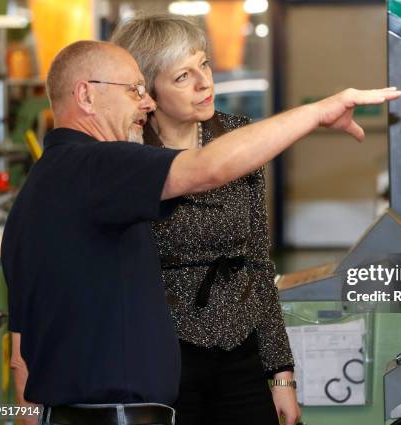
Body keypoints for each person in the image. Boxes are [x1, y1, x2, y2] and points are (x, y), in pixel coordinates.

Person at [3, 39, 400, 425]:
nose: (146, 102)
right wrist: (318, 112)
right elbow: (206, 169)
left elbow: (21, 356)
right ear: (86, 96)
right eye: (135, 90)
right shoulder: (96, 165)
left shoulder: (36, 193)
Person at [111, 14, 298, 425]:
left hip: (241, 348)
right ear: (147, 91)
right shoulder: (128, 158)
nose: (204, 83)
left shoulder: (236, 139)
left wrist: (281, 375)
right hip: (162, 357)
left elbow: (258, 263)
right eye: (182, 76)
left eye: (205, 64)